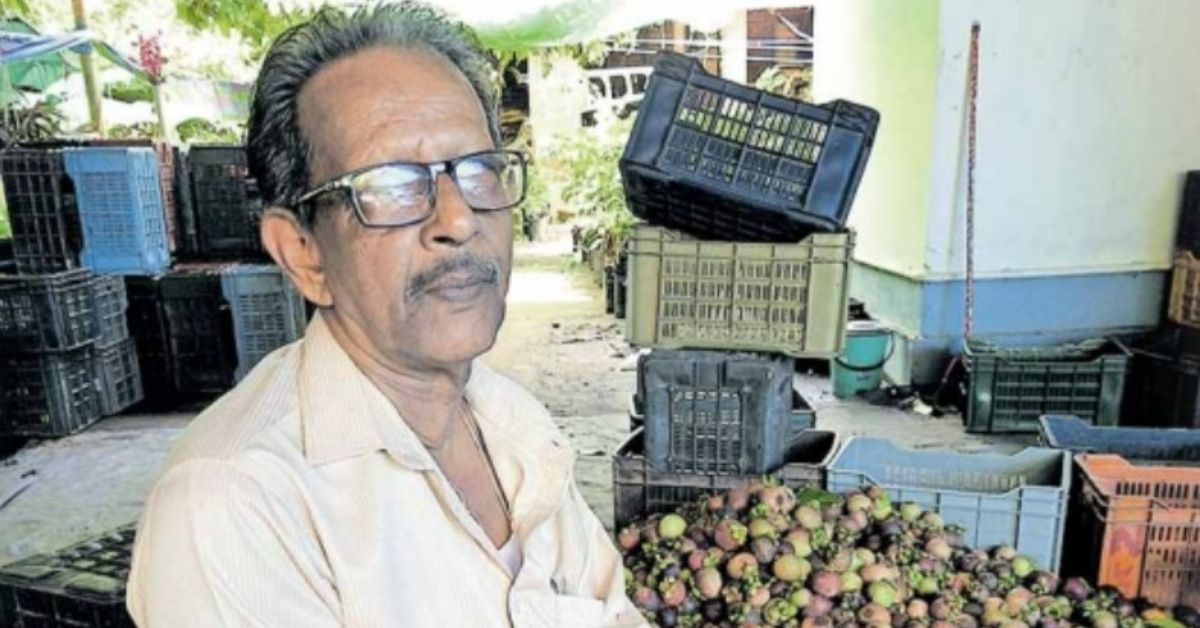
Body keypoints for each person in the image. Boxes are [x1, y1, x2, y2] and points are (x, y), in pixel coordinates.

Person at [126, 4, 645, 626]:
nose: (457, 221)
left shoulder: (512, 422)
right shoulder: (236, 505)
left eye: (478, 170)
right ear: (304, 253)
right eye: (391, 186)